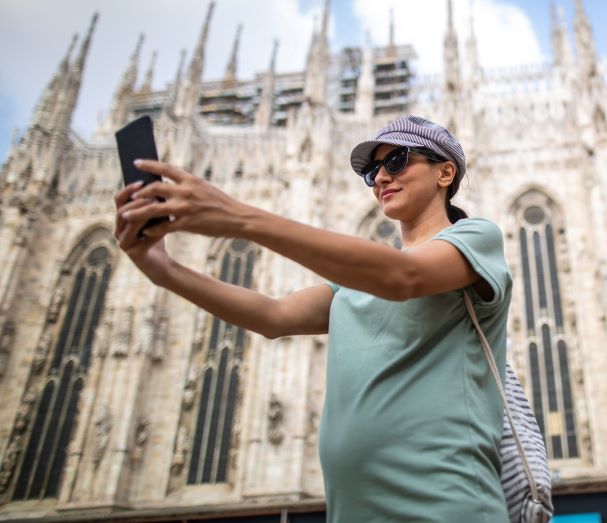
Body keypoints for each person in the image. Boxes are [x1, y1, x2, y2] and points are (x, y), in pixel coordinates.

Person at [114, 115, 512, 523]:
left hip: (448, 506)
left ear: (445, 172)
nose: (380, 179)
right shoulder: (354, 283)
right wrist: (163, 270)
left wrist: (239, 217)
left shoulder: (476, 238)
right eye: (372, 171)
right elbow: (273, 315)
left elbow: (403, 276)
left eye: (396, 162)